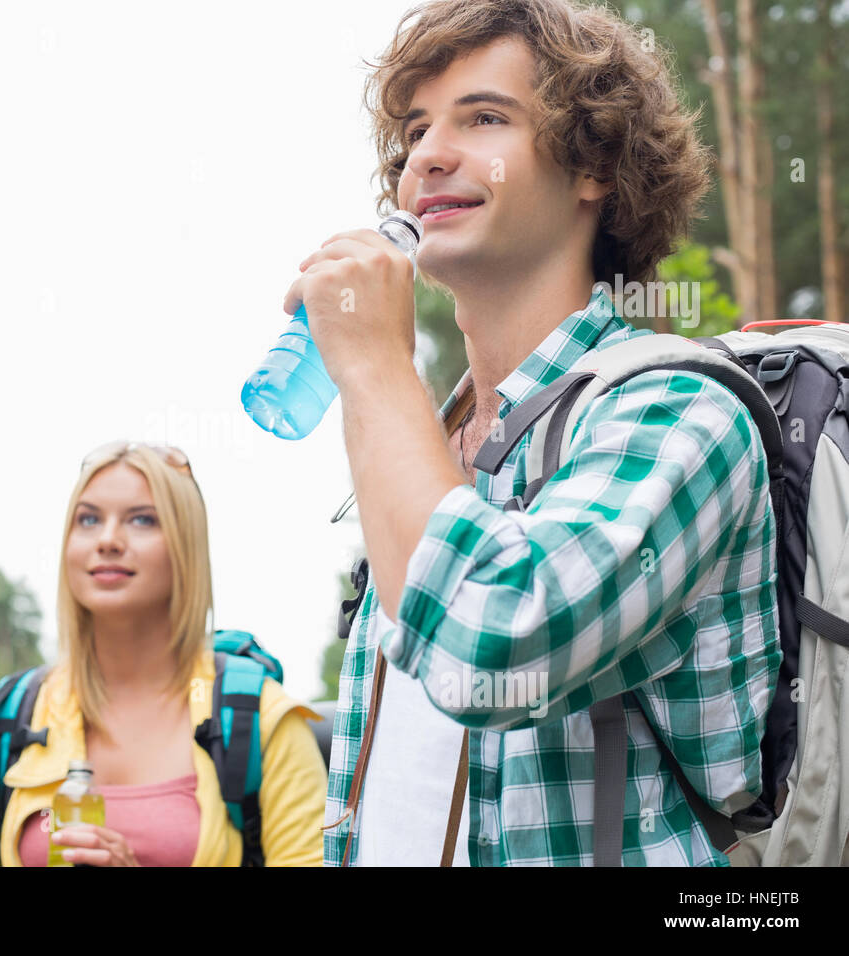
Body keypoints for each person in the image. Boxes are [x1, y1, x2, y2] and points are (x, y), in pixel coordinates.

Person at [292, 0, 780, 865]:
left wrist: (373, 368)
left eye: (484, 118)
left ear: (593, 165)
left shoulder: (678, 412)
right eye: (413, 130)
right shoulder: (424, 445)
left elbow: (486, 643)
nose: (426, 156)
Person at [0, 441, 327, 866]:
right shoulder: (8, 722)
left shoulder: (263, 722)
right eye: (88, 519)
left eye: (142, 519)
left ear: (186, 547)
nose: (107, 540)